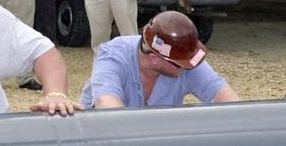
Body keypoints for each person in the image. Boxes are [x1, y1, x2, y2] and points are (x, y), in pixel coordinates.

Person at [80, 11, 239, 108]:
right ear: (155, 58)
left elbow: (226, 98)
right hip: (103, 141)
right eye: (180, 65)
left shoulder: (185, 58)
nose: (188, 67)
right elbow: (107, 104)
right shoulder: (113, 55)